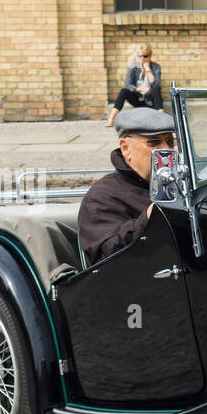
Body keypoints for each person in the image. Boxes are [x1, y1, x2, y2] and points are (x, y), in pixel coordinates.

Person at [78, 107, 176, 267]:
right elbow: (107, 256)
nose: (167, 150)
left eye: (170, 142)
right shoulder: (102, 197)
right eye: (154, 142)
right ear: (125, 148)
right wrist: (150, 218)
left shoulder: (180, 185)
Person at [106, 44, 163, 127]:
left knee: (156, 88)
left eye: (145, 56)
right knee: (123, 91)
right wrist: (141, 90)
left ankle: (161, 118)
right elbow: (128, 85)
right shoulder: (133, 67)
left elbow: (156, 83)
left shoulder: (156, 67)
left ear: (150, 56)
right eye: (140, 56)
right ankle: (111, 119)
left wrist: (148, 70)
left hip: (150, 100)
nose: (142, 58)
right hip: (137, 99)